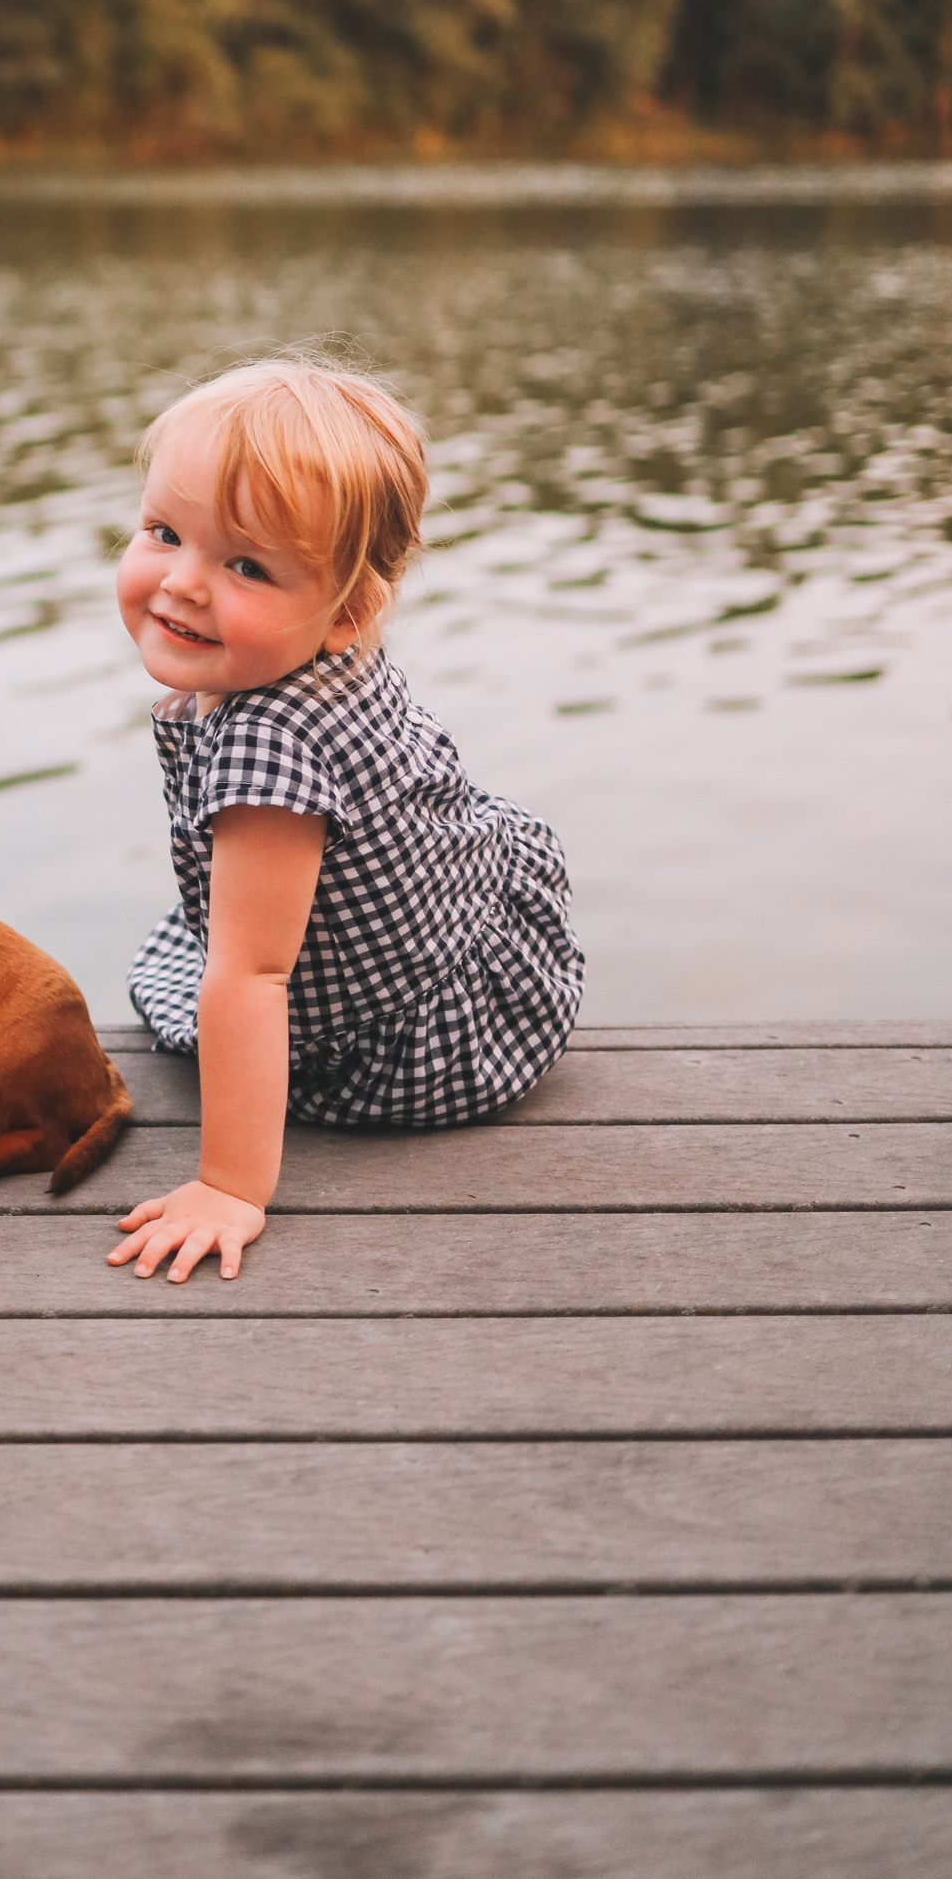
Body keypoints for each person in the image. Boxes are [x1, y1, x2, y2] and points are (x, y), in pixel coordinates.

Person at [108, 354, 584, 1285]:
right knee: (202, 952)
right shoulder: (321, 659)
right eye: (164, 531)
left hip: (411, 1045)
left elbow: (251, 974)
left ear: (347, 611)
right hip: (476, 945)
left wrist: (230, 1186)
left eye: (246, 565)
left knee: (206, 979)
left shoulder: (266, 755)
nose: (184, 583)